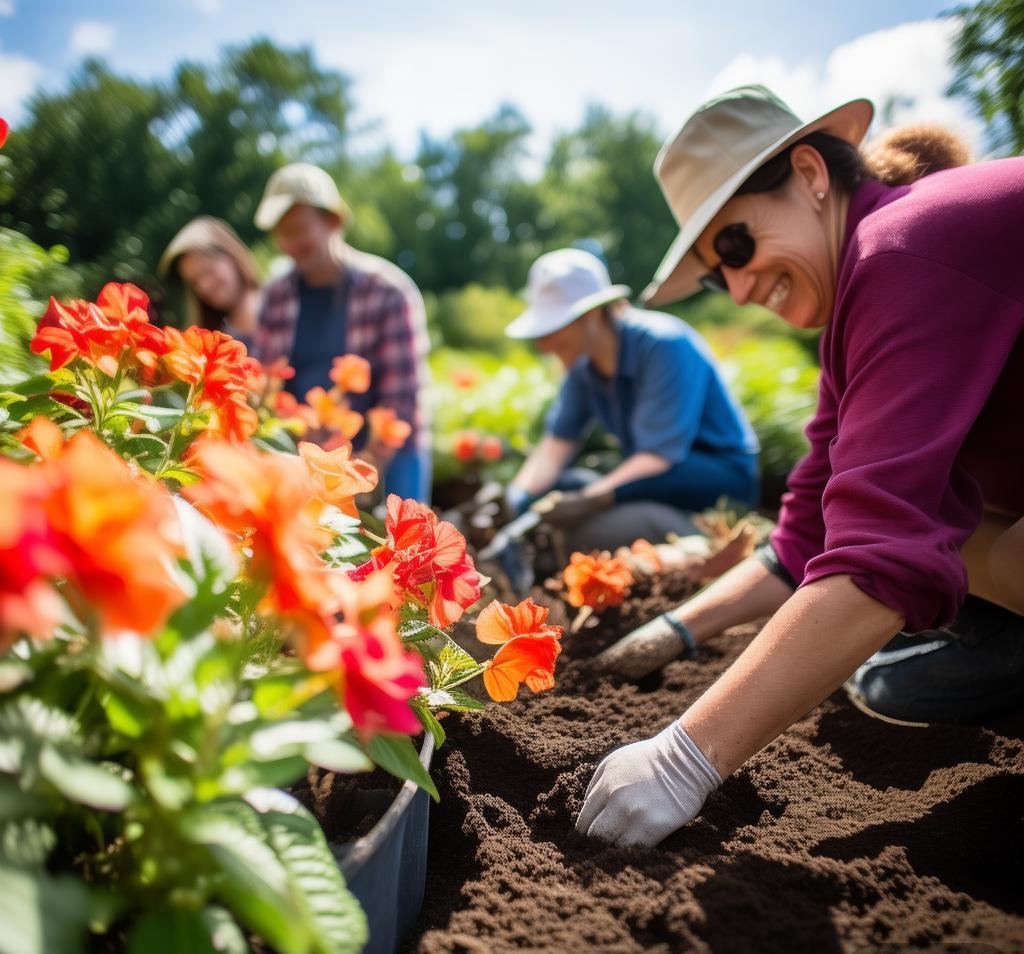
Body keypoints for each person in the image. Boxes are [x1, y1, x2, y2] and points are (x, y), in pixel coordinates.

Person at [577, 85, 1024, 847]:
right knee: (885, 683)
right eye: (720, 275)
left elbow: (883, 556)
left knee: (950, 554)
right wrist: (676, 631)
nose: (743, 288)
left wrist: (685, 758)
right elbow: (806, 532)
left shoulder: (904, 247)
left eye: (738, 246)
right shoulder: (862, 295)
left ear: (812, 174)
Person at [503, 247, 759, 554]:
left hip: (715, 477)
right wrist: (519, 497)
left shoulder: (663, 345)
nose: (543, 344)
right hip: (646, 475)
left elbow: (659, 456)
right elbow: (556, 447)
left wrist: (589, 499)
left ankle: (698, 540)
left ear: (592, 314)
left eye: (553, 328)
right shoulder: (582, 368)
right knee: (566, 486)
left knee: (588, 530)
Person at [252, 162, 431, 502]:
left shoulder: (387, 290)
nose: (289, 242)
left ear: (333, 221)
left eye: (298, 228)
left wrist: (365, 471)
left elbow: (402, 398)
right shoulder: (276, 295)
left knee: (404, 547)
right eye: (281, 232)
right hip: (304, 453)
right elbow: (267, 382)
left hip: (386, 454)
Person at [157, 216, 262, 344]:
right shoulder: (215, 345)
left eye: (208, 271)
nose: (204, 286)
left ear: (231, 256)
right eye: (194, 282)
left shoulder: (286, 298)